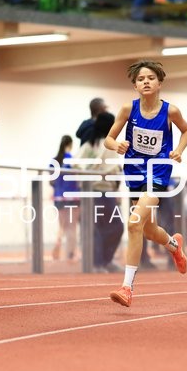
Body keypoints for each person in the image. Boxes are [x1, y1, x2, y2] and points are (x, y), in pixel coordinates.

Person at [105, 60, 187, 307]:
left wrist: (178, 150)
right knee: (148, 230)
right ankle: (174, 245)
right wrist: (117, 145)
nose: (146, 82)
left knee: (134, 223)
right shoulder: (128, 109)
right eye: (141, 79)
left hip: (157, 173)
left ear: (159, 83)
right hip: (134, 171)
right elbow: (108, 139)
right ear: (135, 86)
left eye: (151, 78)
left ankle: (127, 288)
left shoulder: (170, 111)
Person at [76, 111, 123, 273]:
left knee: (97, 228)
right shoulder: (106, 145)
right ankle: (100, 262)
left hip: (92, 191)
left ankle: (100, 262)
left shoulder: (88, 145)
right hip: (102, 191)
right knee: (114, 227)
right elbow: (115, 169)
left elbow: (76, 163)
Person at [51, 135, 78, 261]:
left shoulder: (54, 161)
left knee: (62, 226)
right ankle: (70, 254)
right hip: (72, 197)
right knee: (72, 227)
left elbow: (51, 181)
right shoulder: (72, 160)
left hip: (58, 197)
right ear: (70, 145)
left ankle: (58, 241)